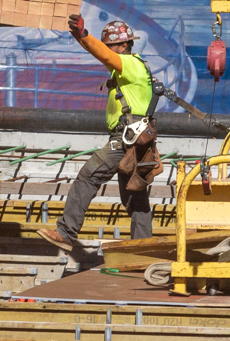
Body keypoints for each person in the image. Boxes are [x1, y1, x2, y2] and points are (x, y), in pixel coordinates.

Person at [38, 14, 156, 251]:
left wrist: (83, 34)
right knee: (135, 195)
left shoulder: (130, 65)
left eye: (110, 46)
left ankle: (65, 232)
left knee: (88, 176)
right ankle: (144, 249)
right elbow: (100, 52)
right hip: (136, 139)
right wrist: (78, 36)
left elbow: (102, 54)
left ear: (124, 45)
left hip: (126, 138)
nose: (106, 51)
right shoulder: (126, 70)